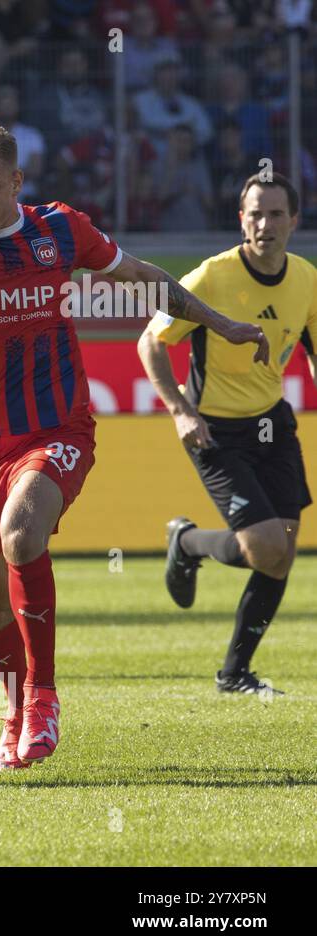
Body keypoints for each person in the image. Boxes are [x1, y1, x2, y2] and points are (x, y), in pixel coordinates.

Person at [0, 122, 268, 770]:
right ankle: (14, 705)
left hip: (57, 429)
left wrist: (219, 323)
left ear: (17, 183)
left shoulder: (58, 231)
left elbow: (139, 276)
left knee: (23, 533)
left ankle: (43, 696)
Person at [141, 172, 316, 696]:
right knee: (266, 548)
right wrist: (179, 411)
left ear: (294, 221)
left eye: (276, 214)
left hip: (272, 422)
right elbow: (150, 342)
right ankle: (186, 541)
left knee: (281, 548)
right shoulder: (211, 277)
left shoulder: (306, 278)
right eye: (255, 214)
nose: (265, 224)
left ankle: (235, 674)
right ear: (241, 220)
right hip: (214, 429)